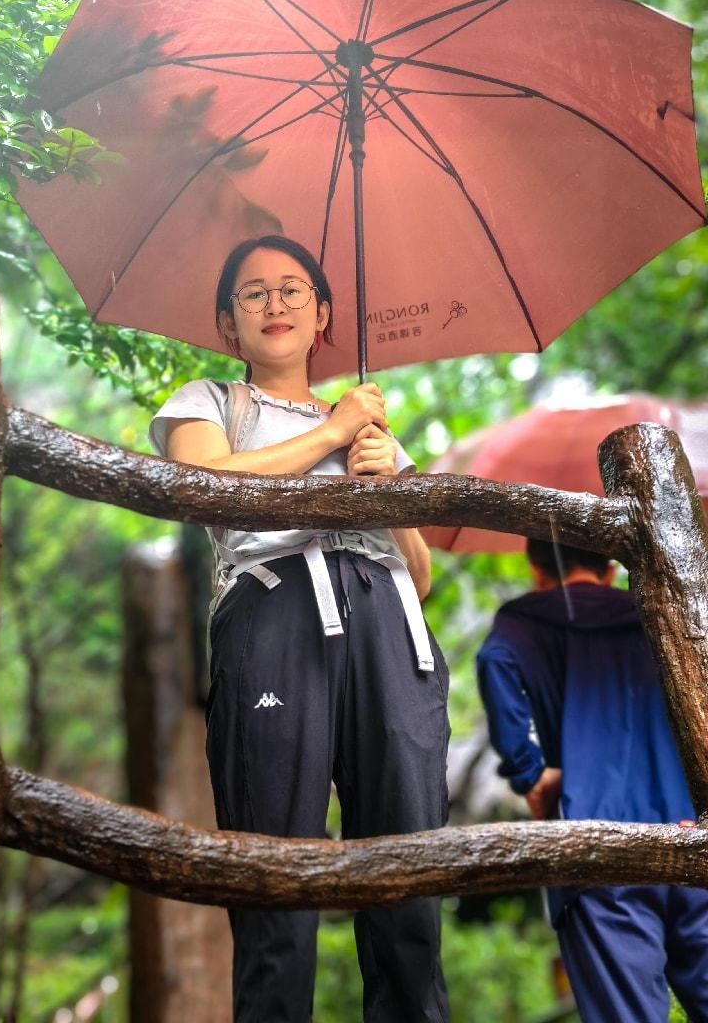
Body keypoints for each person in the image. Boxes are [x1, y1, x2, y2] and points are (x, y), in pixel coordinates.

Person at [149, 234, 450, 1023]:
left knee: (409, 879)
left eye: (293, 290)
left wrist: (387, 488)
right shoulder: (210, 401)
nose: (275, 303)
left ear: (322, 315)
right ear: (228, 322)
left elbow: (419, 577)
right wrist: (329, 433)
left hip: (391, 629)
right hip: (277, 613)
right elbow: (203, 484)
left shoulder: (373, 431)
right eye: (254, 293)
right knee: (275, 872)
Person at [477, 538, 708, 1023]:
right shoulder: (660, 614)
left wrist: (530, 774)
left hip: (595, 847)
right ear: (609, 569)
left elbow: (495, 667)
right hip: (694, 832)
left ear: (536, 570)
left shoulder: (521, 623)